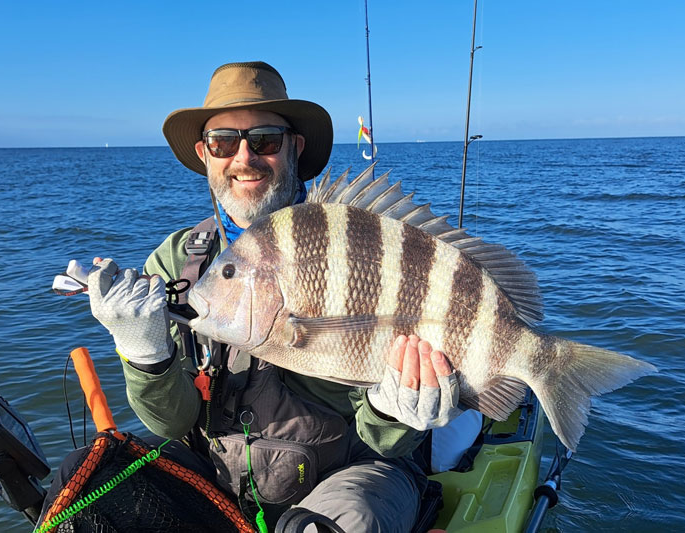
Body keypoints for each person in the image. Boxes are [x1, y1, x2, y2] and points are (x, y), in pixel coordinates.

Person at [84, 61, 474, 532]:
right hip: (219, 480)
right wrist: (145, 354)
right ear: (205, 153)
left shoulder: (353, 235)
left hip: (353, 473)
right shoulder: (176, 262)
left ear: (295, 146)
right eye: (223, 142)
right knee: (83, 477)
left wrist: (396, 411)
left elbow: (386, 444)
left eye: (265, 140)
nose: (244, 157)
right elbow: (171, 424)